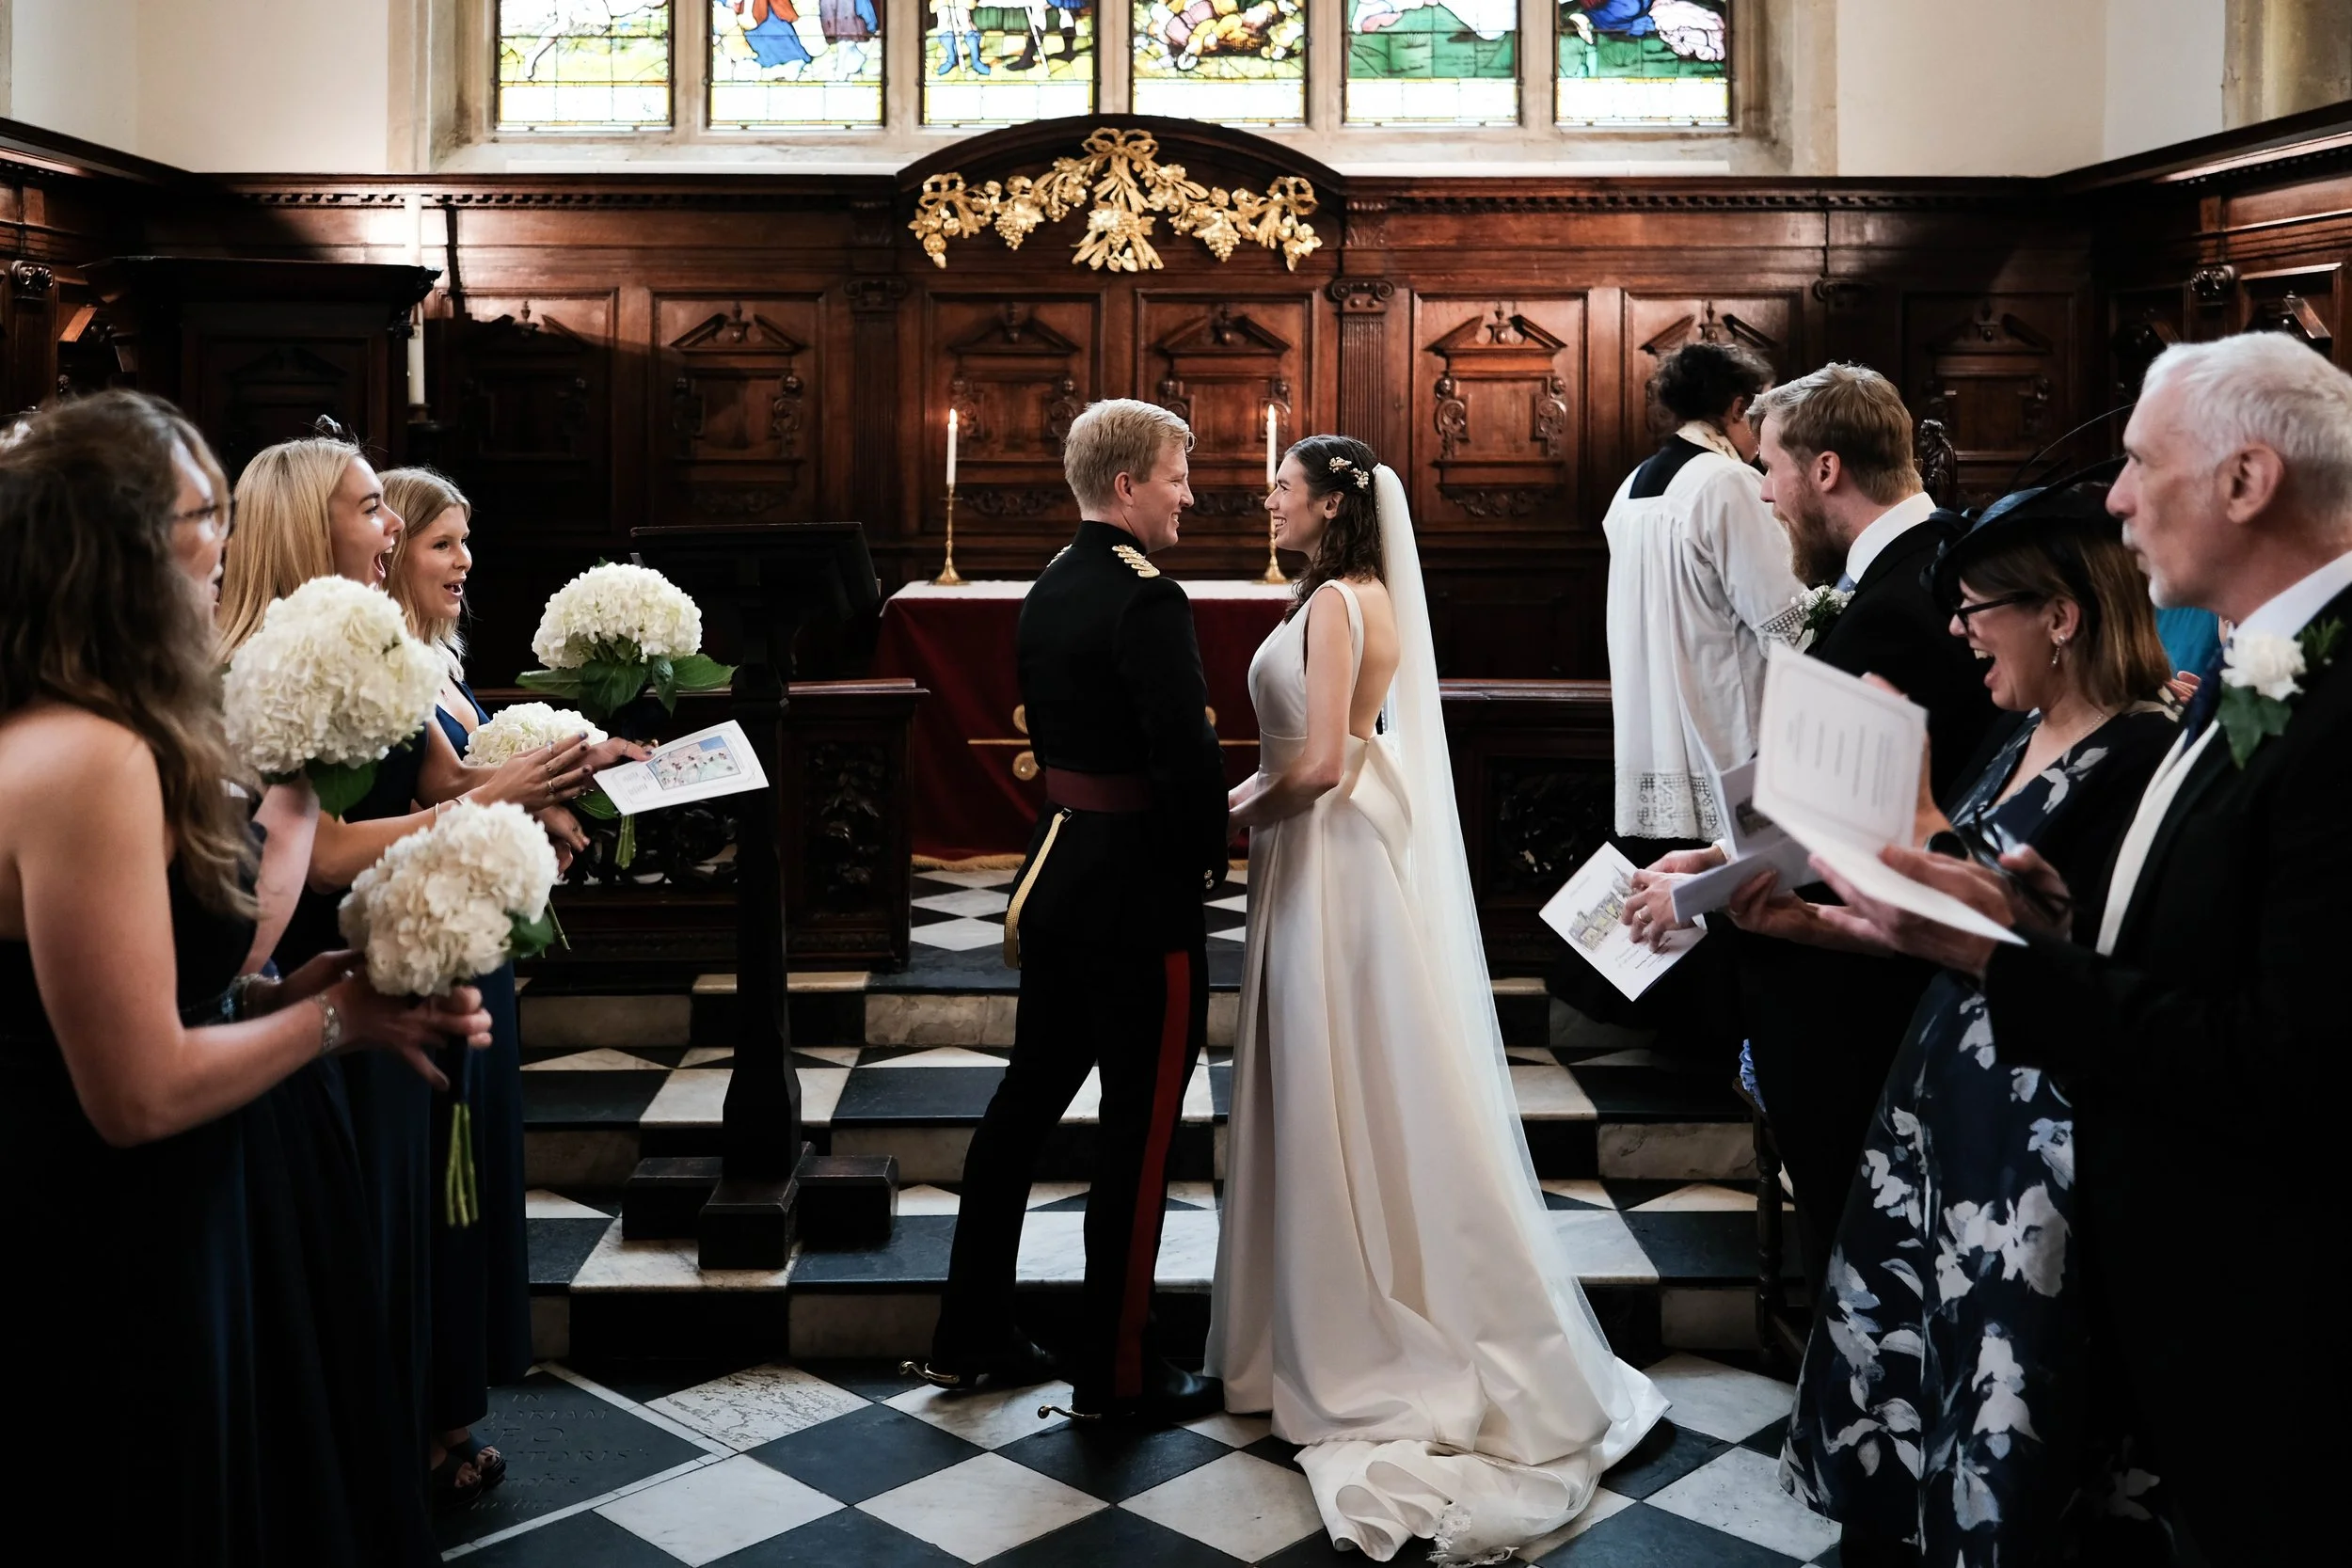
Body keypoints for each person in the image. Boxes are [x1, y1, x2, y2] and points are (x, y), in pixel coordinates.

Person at [1799, 333, 2350, 1566]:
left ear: (2246, 481)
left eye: (2141, 463)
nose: (2113, 498)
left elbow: (2289, 1058)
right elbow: (2211, 950)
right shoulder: (2260, 672)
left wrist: (2004, 959)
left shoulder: (2328, 702)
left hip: (2261, 1283)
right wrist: (2048, 924)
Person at [0, 390, 490, 1562]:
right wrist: (337, 1016)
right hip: (112, 1224)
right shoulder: (89, 754)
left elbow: (141, 995)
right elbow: (137, 1090)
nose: (220, 541)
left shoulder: (83, 726)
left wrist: (274, 995)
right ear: (109, 542)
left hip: (161, 1196)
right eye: (199, 511)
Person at [1207, 436, 1665, 1564]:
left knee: (1329, 1072)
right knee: (1365, 1066)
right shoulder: (1367, 596)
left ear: (1328, 503)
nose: (1268, 496)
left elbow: (1314, 761)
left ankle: (1341, 1329)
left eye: (1283, 486)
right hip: (1354, 845)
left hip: (1318, 845)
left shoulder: (1327, 608)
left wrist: (1223, 814)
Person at [1728, 483, 2179, 1565]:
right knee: (1913, 1347)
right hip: (1940, 1092)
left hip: (2036, 1116)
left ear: (2060, 615)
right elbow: (1927, 935)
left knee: (2005, 1365)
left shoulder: (2136, 756)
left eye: (1979, 608)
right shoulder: (2019, 732)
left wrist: (1917, 813)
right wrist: (1798, 918)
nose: (1958, 631)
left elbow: (2038, 943)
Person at [222, 432, 596, 1510]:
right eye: (369, 507)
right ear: (307, 523)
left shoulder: (385, 641)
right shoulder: (262, 660)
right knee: (359, 1222)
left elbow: (446, 776)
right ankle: (355, 1447)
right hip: (313, 958)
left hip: (401, 951)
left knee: (417, 1216)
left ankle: (415, 1426)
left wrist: (557, 778)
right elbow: (321, 847)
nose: (387, 525)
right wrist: (494, 797)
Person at [1629, 363, 2002, 1298]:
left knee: (1868, 1255)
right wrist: (1717, 858)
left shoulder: (1900, 608)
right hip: (1857, 968)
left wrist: (1713, 886)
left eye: (1770, 468)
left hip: (1857, 995)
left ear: (1824, 468)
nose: (1761, 490)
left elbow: (1873, 829)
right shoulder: (1917, 573)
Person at [912, 399, 1228, 1422]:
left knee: (1020, 1110)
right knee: (1136, 1141)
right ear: (1129, 483)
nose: (1190, 493)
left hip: (1058, 884)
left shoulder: (1051, 582)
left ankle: (968, 1336)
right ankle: (1118, 1372)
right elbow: (1184, 763)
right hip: (1139, 900)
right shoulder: (1150, 599)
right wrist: (1207, 868)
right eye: (1178, 474)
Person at [383, 467, 642, 1511]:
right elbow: (444, 790)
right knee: (441, 1183)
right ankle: (421, 1420)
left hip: (474, 935)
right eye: (443, 542)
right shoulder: (385, 667)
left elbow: (470, 778)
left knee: (471, 1179)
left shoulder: (436, 661)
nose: (464, 561)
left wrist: (566, 786)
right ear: (391, 548)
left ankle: (446, 1410)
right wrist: (538, 785)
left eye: (465, 541)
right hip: (428, 952)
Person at [1604, 339, 1804, 844]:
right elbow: (1785, 620)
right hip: (1722, 730)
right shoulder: (1729, 482)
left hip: (1651, 725)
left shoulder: (1630, 487)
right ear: (1738, 407)